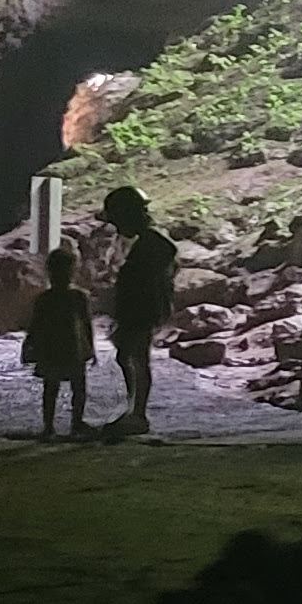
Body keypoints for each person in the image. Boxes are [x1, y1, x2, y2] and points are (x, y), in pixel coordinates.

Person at [101, 185, 177, 439]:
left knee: (137, 358)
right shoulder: (145, 243)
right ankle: (133, 409)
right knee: (126, 357)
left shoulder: (153, 244)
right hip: (136, 310)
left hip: (141, 311)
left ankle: (138, 413)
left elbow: (154, 272)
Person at [21, 244, 95, 440]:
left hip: (51, 347)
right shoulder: (79, 297)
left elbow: (34, 325)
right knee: (78, 388)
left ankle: (49, 426)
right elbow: (87, 324)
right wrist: (91, 348)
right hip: (73, 348)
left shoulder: (44, 299)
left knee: (51, 387)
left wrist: (28, 345)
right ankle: (76, 423)